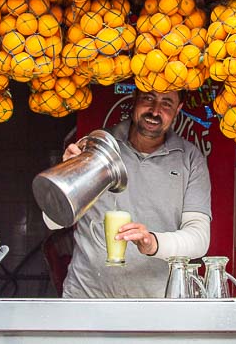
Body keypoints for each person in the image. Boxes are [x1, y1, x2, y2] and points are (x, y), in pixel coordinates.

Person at [43, 88, 212, 298]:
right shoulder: (96, 149)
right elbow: (52, 222)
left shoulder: (190, 159)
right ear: (134, 98)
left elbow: (199, 238)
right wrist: (67, 178)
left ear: (179, 109)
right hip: (88, 296)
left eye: (167, 103)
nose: (155, 111)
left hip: (157, 302)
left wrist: (153, 243)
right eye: (148, 98)